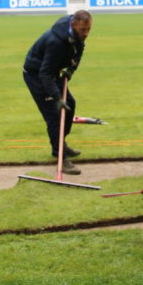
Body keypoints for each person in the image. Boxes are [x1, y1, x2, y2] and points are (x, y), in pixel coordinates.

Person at [22, 10, 92, 174]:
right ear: (74, 25)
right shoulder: (56, 42)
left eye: (88, 29)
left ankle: (61, 143)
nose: (86, 34)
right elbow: (44, 74)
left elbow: (79, 52)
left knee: (70, 104)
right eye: (83, 30)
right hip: (36, 76)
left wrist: (71, 70)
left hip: (53, 72)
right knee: (55, 115)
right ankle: (60, 155)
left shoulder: (77, 36)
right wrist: (56, 97)